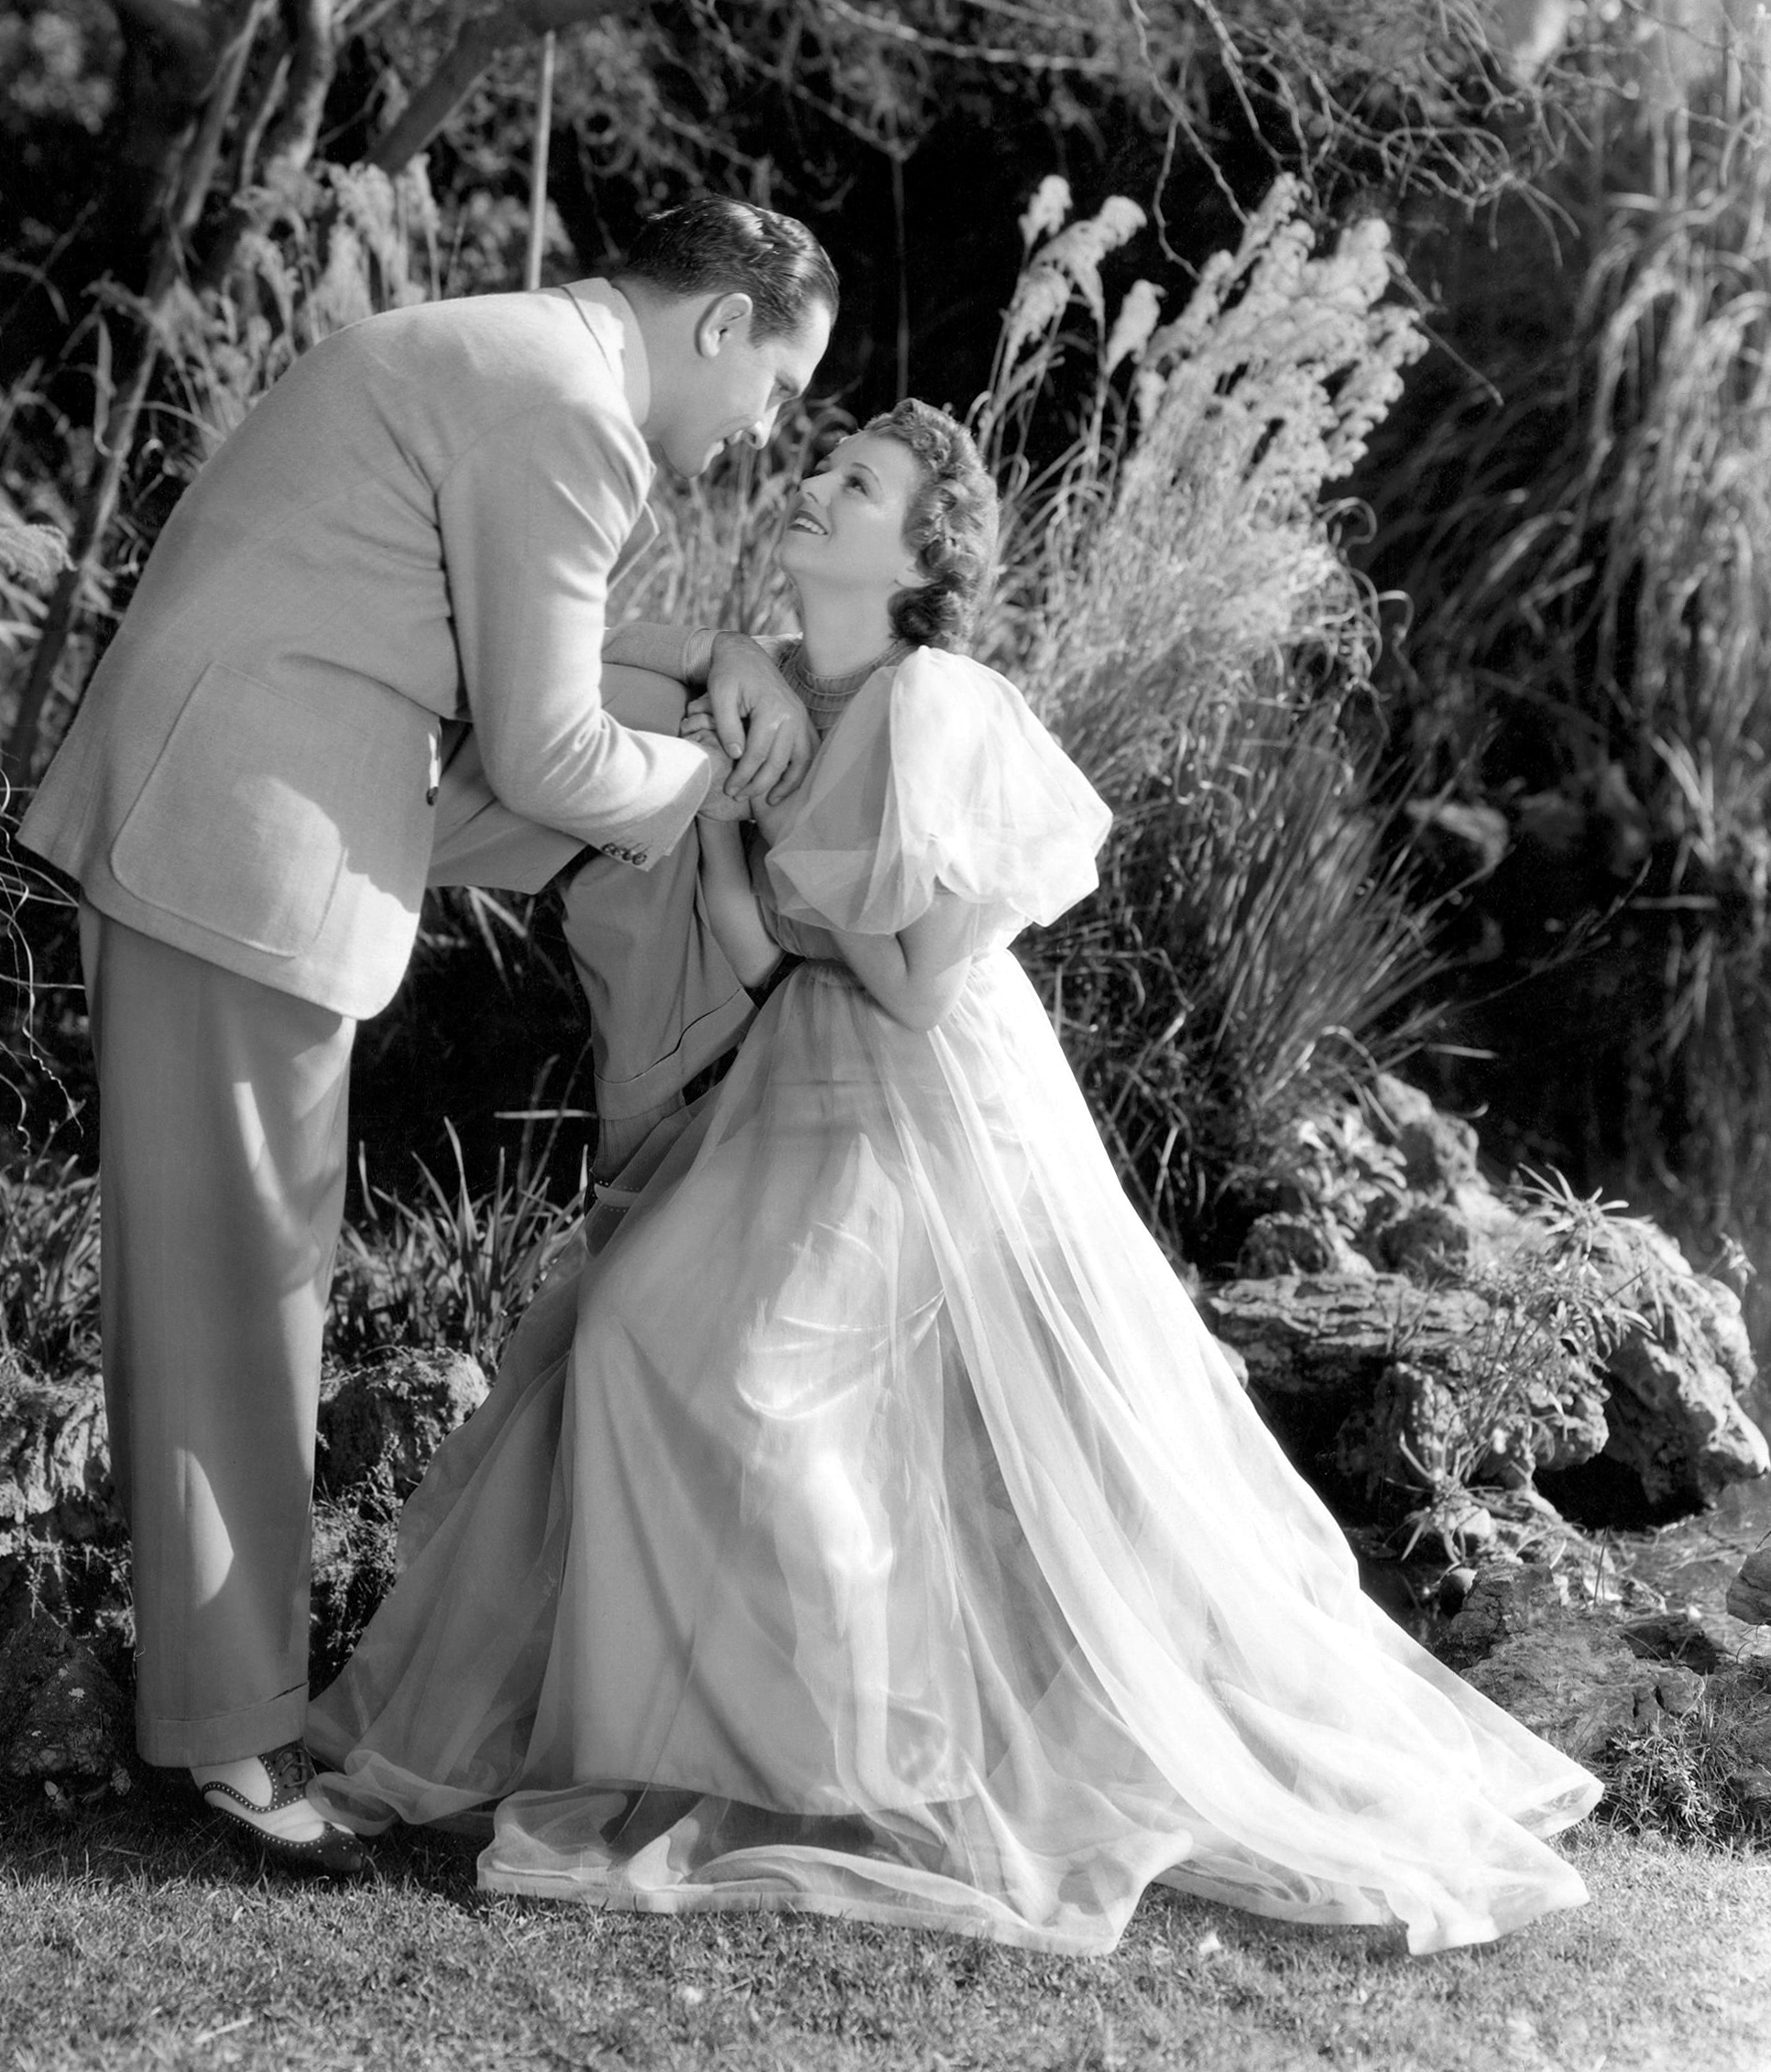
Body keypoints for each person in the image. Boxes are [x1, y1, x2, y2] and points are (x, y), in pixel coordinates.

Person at [306, 398, 1601, 1955]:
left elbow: (917, 982)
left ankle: (866, 1757)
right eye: (819, 465)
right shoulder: (782, 686)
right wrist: (725, 715)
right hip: (805, 1079)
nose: (811, 485)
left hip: (935, 1099)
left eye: (856, 484)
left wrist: (793, 836)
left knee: (748, 1372)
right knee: (642, 1337)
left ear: (923, 556)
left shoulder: (938, 701)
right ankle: (762, 1741)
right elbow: (740, 928)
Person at [18, 198, 838, 1871]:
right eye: (778, 384)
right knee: (243, 1294)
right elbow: (541, 756)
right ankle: (234, 1739)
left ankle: (685, 1083)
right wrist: (713, 782)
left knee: (227, 1283)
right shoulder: (568, 413)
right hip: (240, 839)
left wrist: (714, 659)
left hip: (251, 787)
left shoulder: (511, 352)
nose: (769, 430)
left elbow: (523, 645)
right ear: (718, 323)